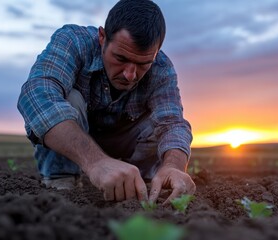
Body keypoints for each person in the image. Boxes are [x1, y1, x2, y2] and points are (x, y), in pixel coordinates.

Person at [17, 0, 195, 204]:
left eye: (143, 64)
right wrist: (96, 162)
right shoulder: (73, 41)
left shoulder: (161, 68)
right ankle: (62, 183)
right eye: (120, 58)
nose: (130, 75)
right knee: (68, 98)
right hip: (75, 136)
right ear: (102, 37)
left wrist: (174, 166)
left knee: (158, 124)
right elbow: (36, 95)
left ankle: (144, 186)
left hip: (124, 139)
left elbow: (172, 123)